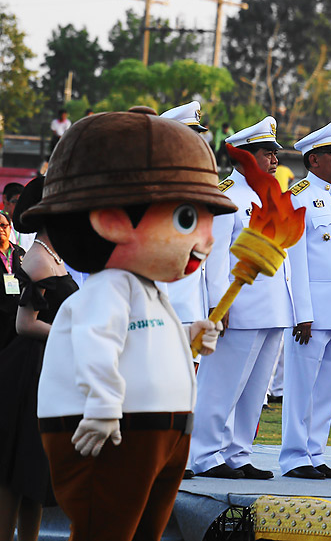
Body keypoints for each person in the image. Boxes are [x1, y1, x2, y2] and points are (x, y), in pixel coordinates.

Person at [27, 108, 230, 541]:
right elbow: (95, 342)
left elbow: (145, 340)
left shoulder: (148, 288)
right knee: (107, 528)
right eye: (187, 219)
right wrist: (102, 404)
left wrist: (188, 337)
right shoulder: (108, 288)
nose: (207, 239)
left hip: (161, 431)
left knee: (143, 530)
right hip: (117, 429)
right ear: (113, 221)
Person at [189, 116, 301, 481]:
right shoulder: (227, 196)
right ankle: (204, 454)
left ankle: (238, 453)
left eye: (274, 153)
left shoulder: (269, 194)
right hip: (238, 308)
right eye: (267, 153)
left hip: (272, 306)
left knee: (255, 391)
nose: (274, 160)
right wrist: (218, 306)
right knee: (221, 385)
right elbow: (216, 257)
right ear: (247, 157)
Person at [277, 120, 331, 480]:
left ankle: (315, 452)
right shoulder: (297, 197)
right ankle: (295, 456)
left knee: (328, 388)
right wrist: (302, 312)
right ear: (313, 160)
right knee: (301, 387)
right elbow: (294, 260)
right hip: (311, 312)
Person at [0, 179, 76, 541]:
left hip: (47, 368)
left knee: (35, 471)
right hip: (29, 373)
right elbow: (24, 323)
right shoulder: (37, 259)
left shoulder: (53, 256)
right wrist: (71, 334)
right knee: (18, 468)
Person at [160, 102, 214, 330]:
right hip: (167, 309)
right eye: (190, 137)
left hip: (194, 306)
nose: (198, 144)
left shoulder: (197, 184)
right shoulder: (158, 188)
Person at [0, 210, 26, 350]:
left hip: (19, 313)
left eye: (3, 225)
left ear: (10, 228)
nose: (1, 229)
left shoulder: (20, 252)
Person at [3, 183, 34, 251]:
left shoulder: (29, 223)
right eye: (16, 201)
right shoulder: (2, 220)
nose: (20, 206)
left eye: (23, 202)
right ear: (5, 200)